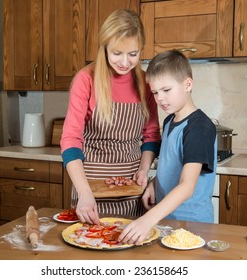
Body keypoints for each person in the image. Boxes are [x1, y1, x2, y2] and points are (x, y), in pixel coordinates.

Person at [60, 9, 161, 225]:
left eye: (133, 54)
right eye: (117, 53)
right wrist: (84, 191)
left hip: (134, 191)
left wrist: (144, 170)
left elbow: (151, 136)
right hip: (91, 190)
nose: (125, 62)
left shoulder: (146, 82)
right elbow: (70, 140)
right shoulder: (85, 79)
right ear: (104, 47)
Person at [118, 50, 217, 245]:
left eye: (166, 90)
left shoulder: (199, 128)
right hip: (167, 220)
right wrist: (155, 184)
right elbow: (171, 163)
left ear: (188, 84)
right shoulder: (171, 121)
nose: (160, 98)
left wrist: (147, 220)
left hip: (192, 226)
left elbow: (187, 186)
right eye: (155, 92)